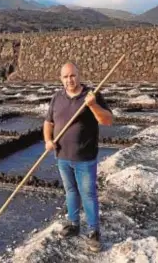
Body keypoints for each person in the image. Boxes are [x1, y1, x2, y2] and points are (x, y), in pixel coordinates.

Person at [43, 61, 113, 252]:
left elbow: (107, 120)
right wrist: (48, 140)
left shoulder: (92, 95)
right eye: (65, 77)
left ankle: (93, 231)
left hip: (85, 157)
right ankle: (73, 224)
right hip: (62, 156)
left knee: (88, 194)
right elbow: (48, 122)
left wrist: (92, 106)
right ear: (61, 79)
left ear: (79, 75)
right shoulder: (57, 98)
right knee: (71, 192)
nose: (69, 80)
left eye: (72, 75)